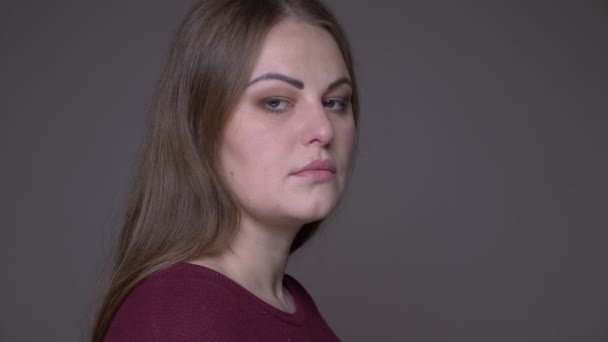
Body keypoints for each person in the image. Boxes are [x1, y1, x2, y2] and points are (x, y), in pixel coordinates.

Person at [92, 0, 359, 340]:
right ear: (202, 127)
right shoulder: (180, 317)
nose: (323, 130)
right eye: (275, 102)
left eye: (335, 102)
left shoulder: (292, 305)